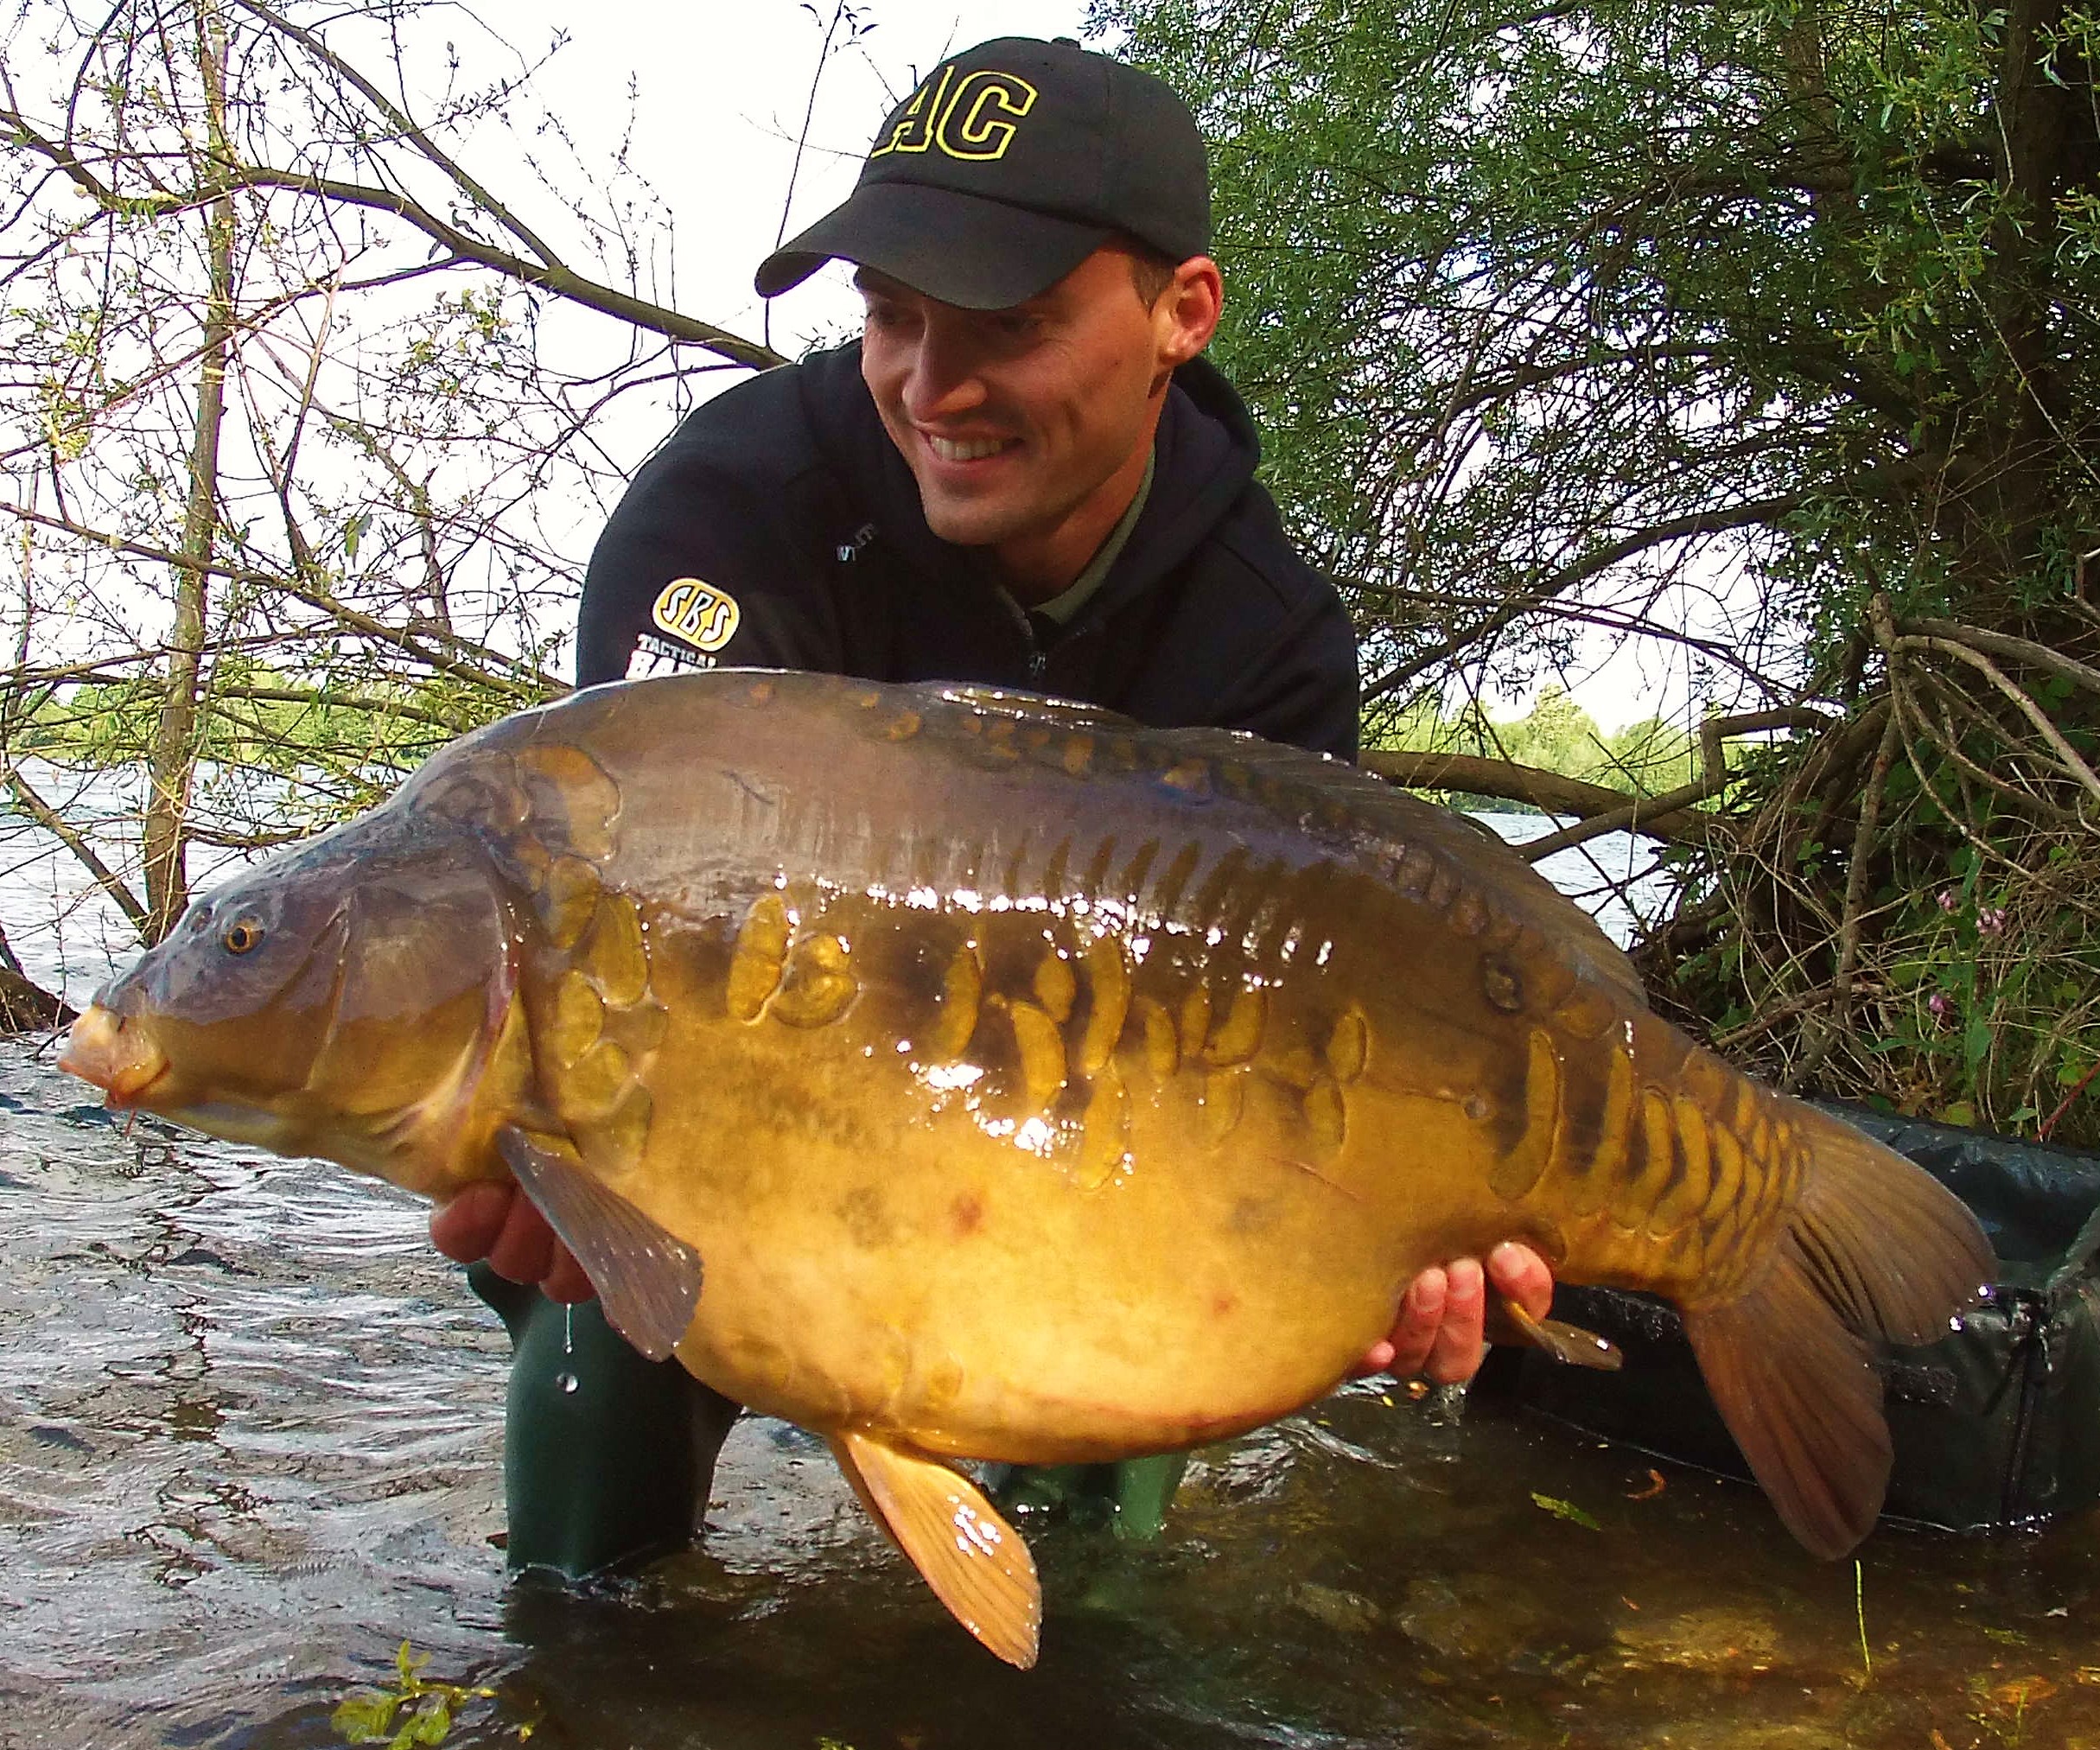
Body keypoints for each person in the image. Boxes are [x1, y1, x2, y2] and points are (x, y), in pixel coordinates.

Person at [431, 34, 1556, 1576]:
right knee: (601, 1319)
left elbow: (1287, 1071)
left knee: (1108, 1455)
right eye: (892, 316)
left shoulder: (1261, 633)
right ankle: (590, 1657)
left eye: (1009, 325)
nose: (933, 385)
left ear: (1183, 313)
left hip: (1070, 1175)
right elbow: (609, 969)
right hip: (740, 1127)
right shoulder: (731, 518)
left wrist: (1383, 1249)